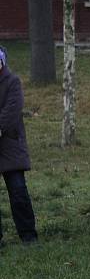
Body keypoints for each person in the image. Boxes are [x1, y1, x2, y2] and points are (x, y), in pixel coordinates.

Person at [0, 47, 37, 246]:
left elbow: (13, 108)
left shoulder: (13, 81)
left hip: (10, 144)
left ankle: (28, 234)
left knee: (18, 191)